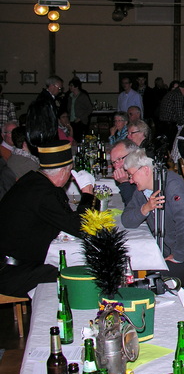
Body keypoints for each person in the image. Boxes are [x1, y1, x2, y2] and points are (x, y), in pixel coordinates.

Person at [0, 140, 95, 297]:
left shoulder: (33, 180)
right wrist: (88, 194)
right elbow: (82, 227)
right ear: (64, 171)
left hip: (14, 263)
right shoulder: (44, 194)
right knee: (72, 279)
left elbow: (64, 216)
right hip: (10, 272)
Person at [121, 149, 184, 287]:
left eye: (131, 175)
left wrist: (178, 256)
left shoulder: (172, 184)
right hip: (174, 252)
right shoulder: (143, 191)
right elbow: (126, 220)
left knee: (154, 280)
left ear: (145, 170)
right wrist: (145, 208)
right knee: (138, 268)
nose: (131, 181)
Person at [27, 75, 62, 149]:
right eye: (59, 88)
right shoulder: (44, 99)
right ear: (52, 86)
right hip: (47, 134)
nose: (59, 90)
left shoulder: (48, 97)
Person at [110, 139, 138, 206]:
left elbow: (133, 207)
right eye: (113, 163)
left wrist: (125, 183)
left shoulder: (144, 173)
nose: (116, 167)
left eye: (119, 159)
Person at [67, 78, 93, 143]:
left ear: (76, 87)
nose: (70, 87)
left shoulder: (83, 96)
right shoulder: (70, 96)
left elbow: (90, 108)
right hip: (72, 120)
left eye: (71, 86)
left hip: (80, 121)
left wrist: (81, 118)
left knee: (80, 139)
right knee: (72, 138)